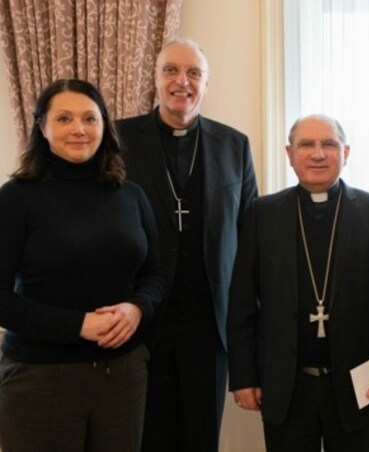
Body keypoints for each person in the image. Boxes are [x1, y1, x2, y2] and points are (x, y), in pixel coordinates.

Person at [0, 78, 164, 451]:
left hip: (122, 377)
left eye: (89, 119)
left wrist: (137, 308)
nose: (78, 129)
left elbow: (154, 274)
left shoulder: (131, 195)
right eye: (64, 119)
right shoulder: (14, 201)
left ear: (104, 127)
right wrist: (79, 325)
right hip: (41, 379)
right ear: (42, 128)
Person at [227, 114, 369, 452]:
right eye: (306, 144)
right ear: (290, 154)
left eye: (328, 144)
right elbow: (242, 305)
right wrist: (244, 377)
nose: (318, 154)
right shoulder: (262, 215)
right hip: (286, 388)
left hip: (357, 386)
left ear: (345, 153)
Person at [115, 37, 258, 451]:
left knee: (201, 439)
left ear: (206, 84)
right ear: (155, 79)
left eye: (194, 73)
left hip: (209, 327)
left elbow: (249, 239)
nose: (183, 81)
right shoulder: (119, 139)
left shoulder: (235, 145)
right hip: (142, 321)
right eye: (171, 70)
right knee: (146, 439)